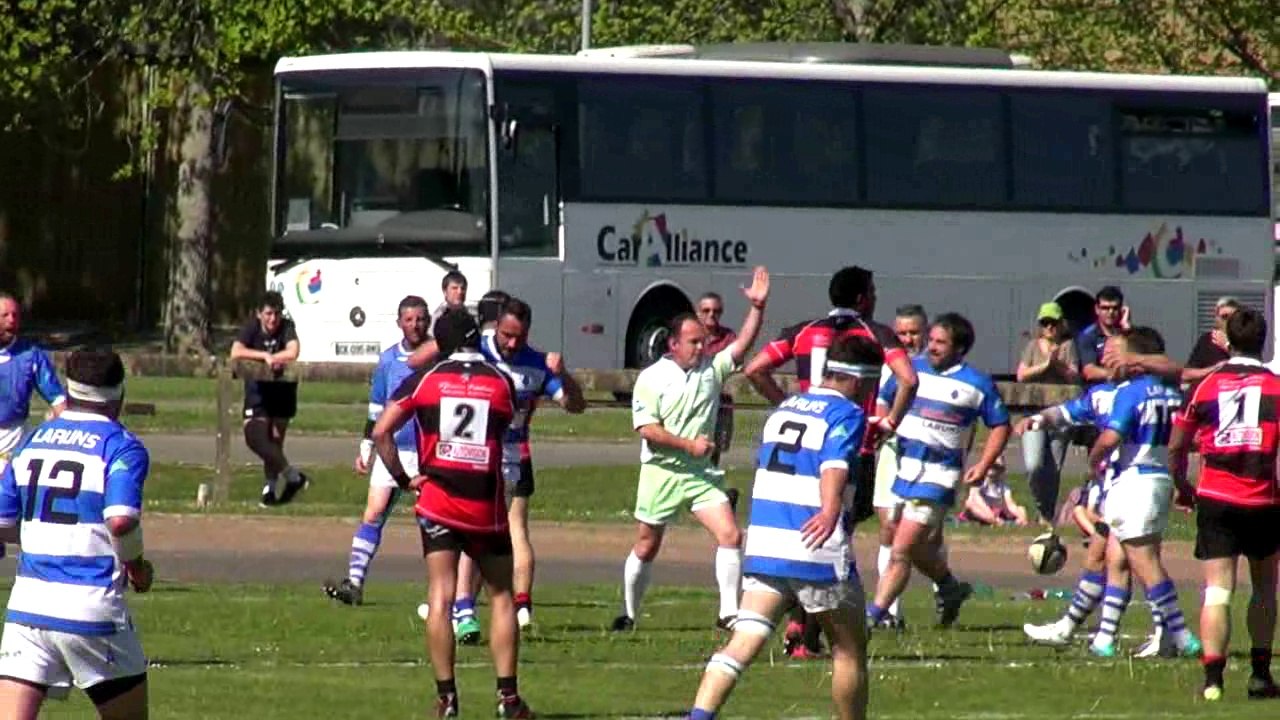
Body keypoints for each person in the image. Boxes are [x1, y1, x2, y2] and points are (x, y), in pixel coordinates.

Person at [680, 335, 882, 720]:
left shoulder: (786, 406)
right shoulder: (846, 414)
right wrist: (830, 508)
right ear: (858, 380)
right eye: (871, 385)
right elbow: (834, 466)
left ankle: (699, 717)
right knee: (849, 649)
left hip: (767, 543)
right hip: (813, 543)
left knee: (744, 641)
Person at [743, 266, 918, 656]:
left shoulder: (805, 330)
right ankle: (803, 631)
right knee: (830, 533)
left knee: (808, 527)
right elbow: (909, 379)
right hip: (850, 442)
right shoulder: (875, 334)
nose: (874, 297)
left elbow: (754, 369)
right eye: (872, 291)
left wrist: (789, 406)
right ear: (861, 298)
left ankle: (797, 623)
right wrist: (889, 422)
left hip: (804, 440)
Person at [370, 308, 532, 719]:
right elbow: (508, 424)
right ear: (478, 338)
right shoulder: (500, 382)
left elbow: (381, 431)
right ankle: (508, 699)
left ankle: (446, 698)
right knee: (500, 596)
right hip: (485, 505)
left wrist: (404, 478)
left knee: (440, 597)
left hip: (437, 499)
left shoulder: (424, 380)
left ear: (440, 342)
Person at [612, 267, 770, 632]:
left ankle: (728, 613)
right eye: (694, 342)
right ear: (674, 344)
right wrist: (689, 445)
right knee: (647, 544)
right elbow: (648, 430)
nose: (701, 348)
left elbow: (742, 345)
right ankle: (629, 614)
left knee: (730, 535)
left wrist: (758, 309)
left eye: (703, 342)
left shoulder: (711, 371)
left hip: (699, 474)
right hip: (662, 471)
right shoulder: (652, 378)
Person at [0, 349, 154, 720]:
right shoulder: (121, 445)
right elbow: (120, 520)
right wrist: (136, 566)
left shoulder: (33, 442)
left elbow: (2, 521)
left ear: (68, 393)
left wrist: (47, 536)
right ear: (119, 395)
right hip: (90, 608)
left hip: (28, 609)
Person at [866, 313, 1010, 630]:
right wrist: (883, 424)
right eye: (931, 340)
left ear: (960, 348)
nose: (931, 347)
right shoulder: (911, 370)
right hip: (905, 470)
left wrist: (983, 465)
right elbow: (884, 398)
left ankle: (872, 617)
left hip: (938, 477)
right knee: (914, 546)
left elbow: (1000, 426)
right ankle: (949, 586)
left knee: (900, 550)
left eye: (940, 343)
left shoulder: (976, 384)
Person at [1169, 307, 1280, 701]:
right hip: (1263, 498)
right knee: (1265, 587)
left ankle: (1213, 680)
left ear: (1227, 341)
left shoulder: (1208, 385)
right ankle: (1260, 675)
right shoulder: (1276, 387)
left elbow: (1178, 443)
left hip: (1216, 497)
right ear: (1263, 341)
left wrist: (1182, 483)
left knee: (1218, 590)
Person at [1084, 326, 1200, 659]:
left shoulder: (1131, 391)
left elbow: (1110, 438)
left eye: (1117, 352)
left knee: (1144, 562)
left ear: (1135, 359)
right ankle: (1104, 639)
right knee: (1116, 557)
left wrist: (1094, 461)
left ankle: (1181, 634)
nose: (1109, 359)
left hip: (1134, 480)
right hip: (1159, 478)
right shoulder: (1170, 390)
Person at [476, 297, 587, 629]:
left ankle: (522, 604)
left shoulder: (537, 364)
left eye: (519, 338)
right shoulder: (475, 351)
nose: (512, 344)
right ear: (496, 325)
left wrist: (563, 374)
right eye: (507, 335)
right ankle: (462, 607)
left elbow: (575, 405)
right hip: (476, 458)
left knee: (515, 529)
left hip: (515, 456)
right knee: (475, 534)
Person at [324, 295, 431, 606]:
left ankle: (443, 589)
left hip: (426, 450)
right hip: (391, 448)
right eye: (409, 319)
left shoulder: (439, 357)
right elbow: (376, 409)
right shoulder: (387, 361)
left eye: (421, 319)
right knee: (373, 514)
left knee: (431, 521)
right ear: (399, 323)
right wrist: (366, 445)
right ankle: (354, 583)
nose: (416, 325)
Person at [870, 303, 927, 629]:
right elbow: (880, 406)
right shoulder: (888, 369)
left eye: (914, 333)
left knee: (925, 537)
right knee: (889, 529)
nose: (908, 339)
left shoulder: (933, 370)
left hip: (926, 458)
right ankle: (890, 612)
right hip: (894, 452)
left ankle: (943, 592)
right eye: (902, 333)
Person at [229, 290, 306, 507]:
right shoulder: (251, 327)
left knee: (275, 442)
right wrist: (264, 356)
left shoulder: (287, 327)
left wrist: (276, 358)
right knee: (255, 437)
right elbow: (236, 351)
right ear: (259, 314)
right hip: (257, 392)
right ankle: (293, 477)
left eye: (277, 314)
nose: (273, 319)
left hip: (282, 390)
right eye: (269, 314)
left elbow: (293, 351)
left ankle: (270, 490)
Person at [1016, 301, 1080, 524]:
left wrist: (1058, 365)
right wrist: (1045, 365)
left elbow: (1074, 376)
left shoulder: (1069, 346)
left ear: (1061, 324)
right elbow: (1021, 375)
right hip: (1033, 413)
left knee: (1053, 469)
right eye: (1045, 323)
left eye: (1053, 322)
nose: (1049, 327)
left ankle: (1047, 516)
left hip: (1059, 414)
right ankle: (1041, 506)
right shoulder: (1033, 346)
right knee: (1034, 465)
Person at [0, 292, 66, 475]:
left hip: (13, 440)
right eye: (5, 315)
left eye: (15, 315)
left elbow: (57, 400)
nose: (11, 320)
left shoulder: (31, 356)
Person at [697, 292, 738, 472]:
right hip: (697, 403)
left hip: (721, 404)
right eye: (706, 310)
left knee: (716, 449)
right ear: (698, 312)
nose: (711, 315)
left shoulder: (729, 338)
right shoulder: (692, 337)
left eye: (716, 311)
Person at [1182, 297, 1240, 394]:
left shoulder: (1244, 338)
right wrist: (1214, 369)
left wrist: (1227, 346)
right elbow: (1186, 374)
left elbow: (1251, 365)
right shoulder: (1206, 340)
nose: (1229, 321)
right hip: (1211, 394)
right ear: (1216, 318)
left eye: (1233, 317)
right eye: (1225, 317)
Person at [1076, 286, 1131, 385]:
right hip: (1098, 390)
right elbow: (1089, 371)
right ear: (1097, 309)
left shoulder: (1128, 332)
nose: (1110, 312)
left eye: (1115, 308)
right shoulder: (1088, 336)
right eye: (1105, 308)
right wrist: (1115, 374)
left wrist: (1126, 328)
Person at [958, 459, 1029, 526]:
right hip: (979, 509)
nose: (993, 469)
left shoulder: (1003, 486)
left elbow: (1010, 504)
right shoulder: (979, 481)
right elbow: (976, 499)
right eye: (990, 466)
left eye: (996, 467)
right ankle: (994, 521)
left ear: (1001, 471)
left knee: (1021, 509)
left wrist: (1020, 516)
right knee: (972, 506)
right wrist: (991, 515)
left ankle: (1021, 521)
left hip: (995, 511)